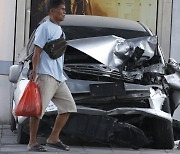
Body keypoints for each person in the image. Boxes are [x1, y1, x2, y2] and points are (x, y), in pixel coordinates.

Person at [28, 0, 77, 152]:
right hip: (46, 75)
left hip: (59, 77)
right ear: (52, 11)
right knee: (38, 111)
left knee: (68, 107)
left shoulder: (59, 29)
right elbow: (37, 52)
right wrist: (35, 72)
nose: (64, 12)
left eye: (64, 9)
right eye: (62, 9)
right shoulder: (44, 28)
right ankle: (32, 142)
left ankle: (53, 138)